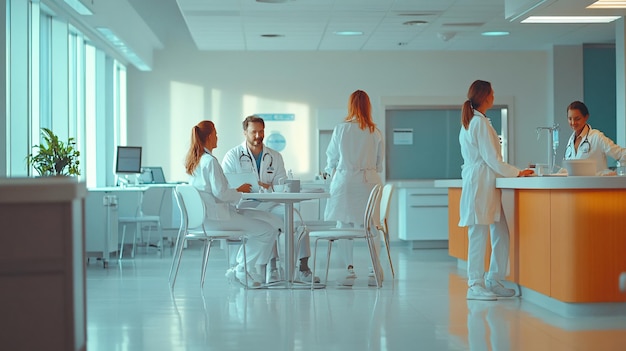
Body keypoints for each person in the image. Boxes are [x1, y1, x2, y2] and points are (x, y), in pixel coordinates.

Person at [459, 80, 534, 301]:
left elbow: (491, 158)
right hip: (480, 184)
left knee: (500, 231)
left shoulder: (479, 121)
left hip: (487, 183)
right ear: (485, 96)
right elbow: (492, 158)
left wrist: (512, 172)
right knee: (478, 234)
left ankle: (494, 277)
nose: (494, 95)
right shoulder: (477, 123)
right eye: (492, 93)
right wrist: (517, 172)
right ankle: (475, 284)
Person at [222, 115, 319, 283]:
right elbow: (228, 184)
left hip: (272, 203)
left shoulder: (275, 156)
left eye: (261, 132)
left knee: (297, 221)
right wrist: (260, 186)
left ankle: (303, 268)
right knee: (269, 227)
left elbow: (280, 185)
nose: (258, 136)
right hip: (246, 206)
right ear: (245, 132)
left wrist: (264, 185)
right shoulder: (232, 156)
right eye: (254, 132)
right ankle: (271, 268)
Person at [185, 120, 280, 288]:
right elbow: (221, 193)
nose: (217, 137)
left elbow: (216, 191)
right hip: (217, 219)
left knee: (264, 222)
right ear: (209, 136)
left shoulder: (197, 161)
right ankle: (242, 269)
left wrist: (235, 192)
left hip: (205, 219)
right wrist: (240, 192)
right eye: (215, 134)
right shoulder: (210, 161)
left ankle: (241, 269)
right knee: (267, 230)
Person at [324, 89, 384, 286]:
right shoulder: (375, 132)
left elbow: (331, 159)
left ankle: (348, 270)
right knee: (371, 225)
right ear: (368, 106)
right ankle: (373, 270)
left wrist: (328, 172)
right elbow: (379, 163)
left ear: (350, 106)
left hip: (345, 182)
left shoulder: (341, 129)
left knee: (344, 225)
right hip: (368, 181)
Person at [563, 101, 626, 175]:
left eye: (577, 119)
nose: (573, 123)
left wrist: (616, 174)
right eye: (570, 119)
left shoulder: (596, 137)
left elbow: (622, 154)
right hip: (576, 185)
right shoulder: (571, 141)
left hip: (597, 185)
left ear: (586, 117)